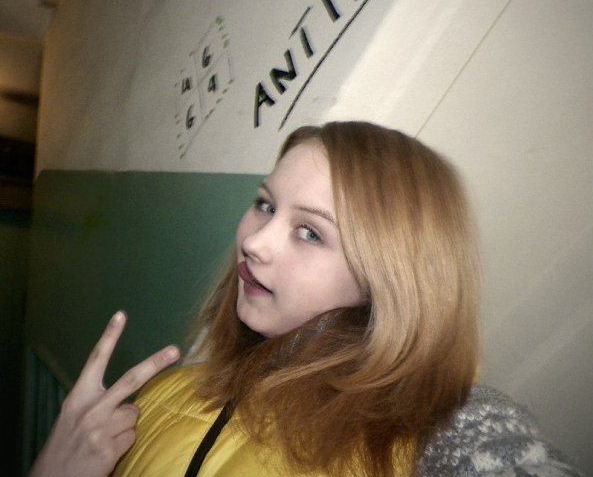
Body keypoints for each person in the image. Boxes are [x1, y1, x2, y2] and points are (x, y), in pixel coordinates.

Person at [29, 121, 587, 477]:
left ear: (387, 278)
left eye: (310, 232)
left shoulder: (426, 431)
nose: (254, 242)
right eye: (266, 205)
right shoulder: (165, 393)